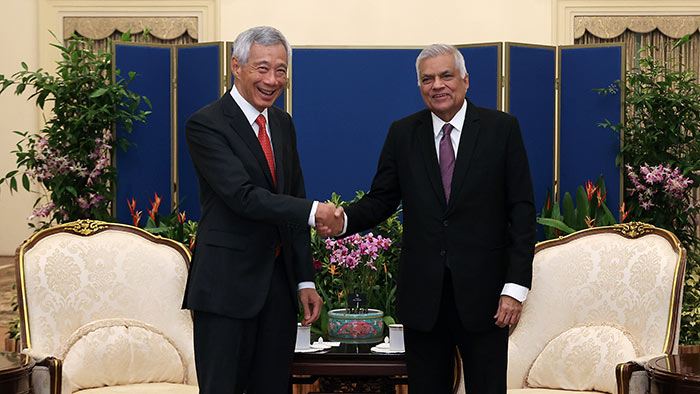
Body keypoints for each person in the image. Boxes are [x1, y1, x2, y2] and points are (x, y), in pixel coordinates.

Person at [324, 44, 536, 393]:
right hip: (424, 300)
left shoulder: (502, 130)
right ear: (420, 86)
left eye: (446, 76)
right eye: (427, 79)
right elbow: (382, 200)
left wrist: (514, 290)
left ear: (465, 80)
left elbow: (522, 213)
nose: (437, 85)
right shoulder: (402, 133)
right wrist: (342, 221)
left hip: (485, 299)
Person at [182, 26, 343, 394]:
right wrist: (315, 210)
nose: (273, 80)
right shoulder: (205, 124)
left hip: (277, 287)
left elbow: (293, 197)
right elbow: (243, 196)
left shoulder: (283, 124)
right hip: (225, 287)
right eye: (262, 68)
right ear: (236, 66)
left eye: (281, 70)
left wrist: (304, 279)